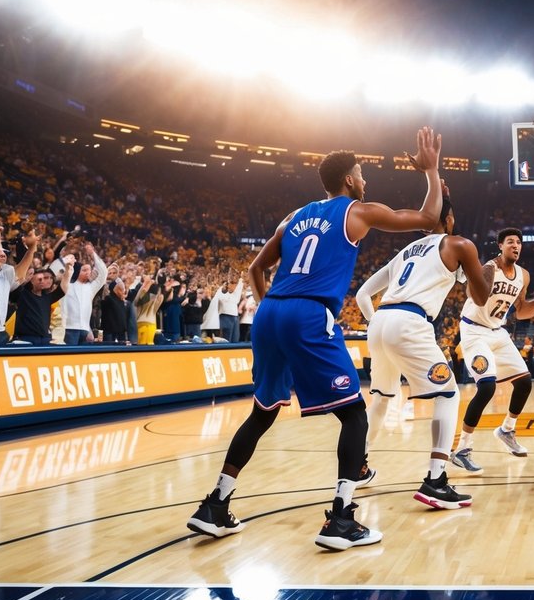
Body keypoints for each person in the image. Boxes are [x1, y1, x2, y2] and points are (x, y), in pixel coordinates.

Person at [186, 127, 444, 552]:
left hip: (270, 313)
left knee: (262, 413)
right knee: (354, 415)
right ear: (349, 181)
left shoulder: (295, 216)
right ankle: (341, 520)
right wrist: (432, 172)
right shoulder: (356, 211)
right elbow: (428, 219)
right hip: (308, 313)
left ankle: (215, 505)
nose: (365, 181)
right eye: (361, 175)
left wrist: (274, 307)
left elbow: (255, 269)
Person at [356, 191, 491, 508]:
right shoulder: (458, 244)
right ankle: (435, 480)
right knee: (448, 394)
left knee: (380, 398)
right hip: (409, 321)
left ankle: (357, 465)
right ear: (449, 219)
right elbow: (481, 297)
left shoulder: (405, 252)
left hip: (380, 322)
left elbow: (363, 293)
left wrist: (378, 322)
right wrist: (483, 273)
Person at [449, 228, 534, 473]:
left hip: (497, 331)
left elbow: (522, 310)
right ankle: (462, 449)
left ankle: (506, 429)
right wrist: (478, 279)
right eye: (511, 242)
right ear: (500, 246)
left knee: (525, 382)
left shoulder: (523, 276)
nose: (516, 245)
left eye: (519, 242)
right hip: (474, 331)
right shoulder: (488, 269)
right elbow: (474, 296)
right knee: (487, 387)